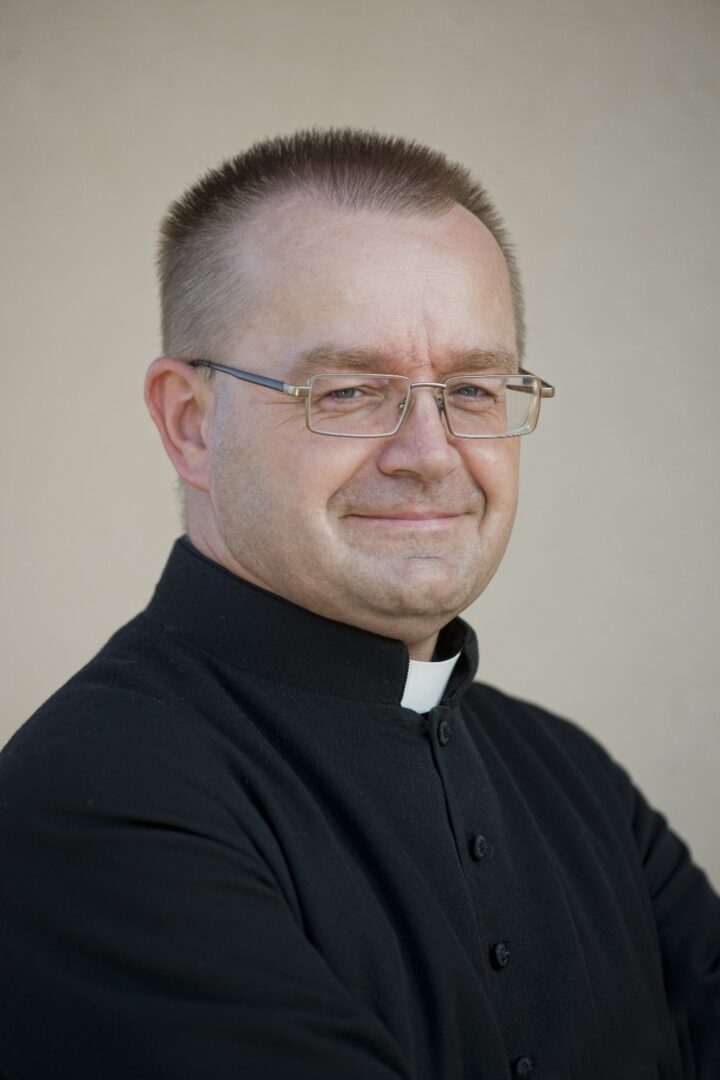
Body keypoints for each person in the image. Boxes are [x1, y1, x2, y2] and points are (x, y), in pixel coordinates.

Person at [0, 128, 717, 1080]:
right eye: (347, 391)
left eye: (472, 388)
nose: (430, 453)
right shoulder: (95, 801)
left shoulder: (574, 778)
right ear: (192, 424)